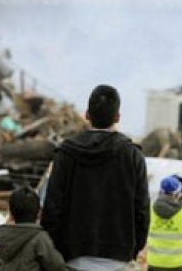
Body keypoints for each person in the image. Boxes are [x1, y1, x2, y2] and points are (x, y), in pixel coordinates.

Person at [41, 84, 150, 271]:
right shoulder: (132, 156)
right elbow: (142, 210)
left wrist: (54, 249)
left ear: (87, 115)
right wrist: (134, 249)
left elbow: (52, 207)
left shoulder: (66, 154)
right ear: (117, 117)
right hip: (118, 258)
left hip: (72, 257)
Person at [0, 186, 65, 271]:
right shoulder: (40, 238)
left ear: (11, 214)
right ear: (39, 213)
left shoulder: (4, 236)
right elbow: (58, 266)